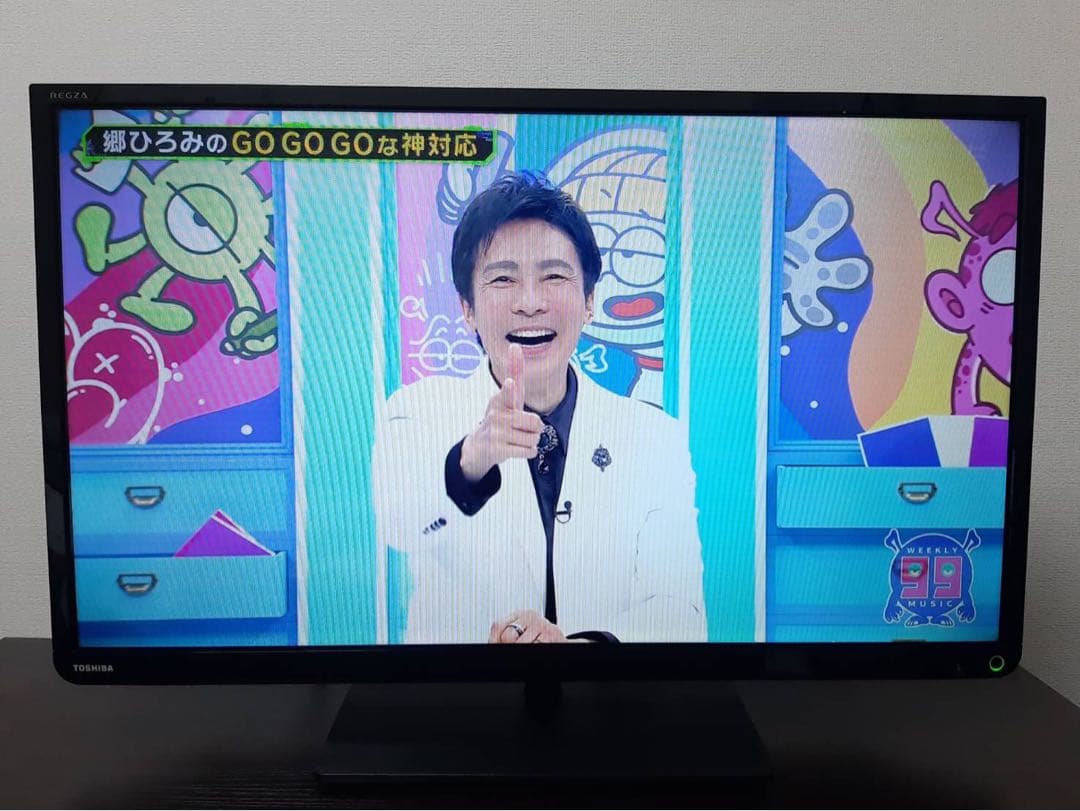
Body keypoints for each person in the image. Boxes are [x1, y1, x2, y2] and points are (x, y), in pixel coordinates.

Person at [372, 172, 706, 644]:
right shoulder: (416, 412)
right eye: (503, 279)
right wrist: (472, 461)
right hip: (461, 688)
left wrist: (577, 651)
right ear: (467, 307)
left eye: (553, 276)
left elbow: (681, 611)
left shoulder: (655, 437)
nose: (530, 303)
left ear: (589, 300)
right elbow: (402, 526)